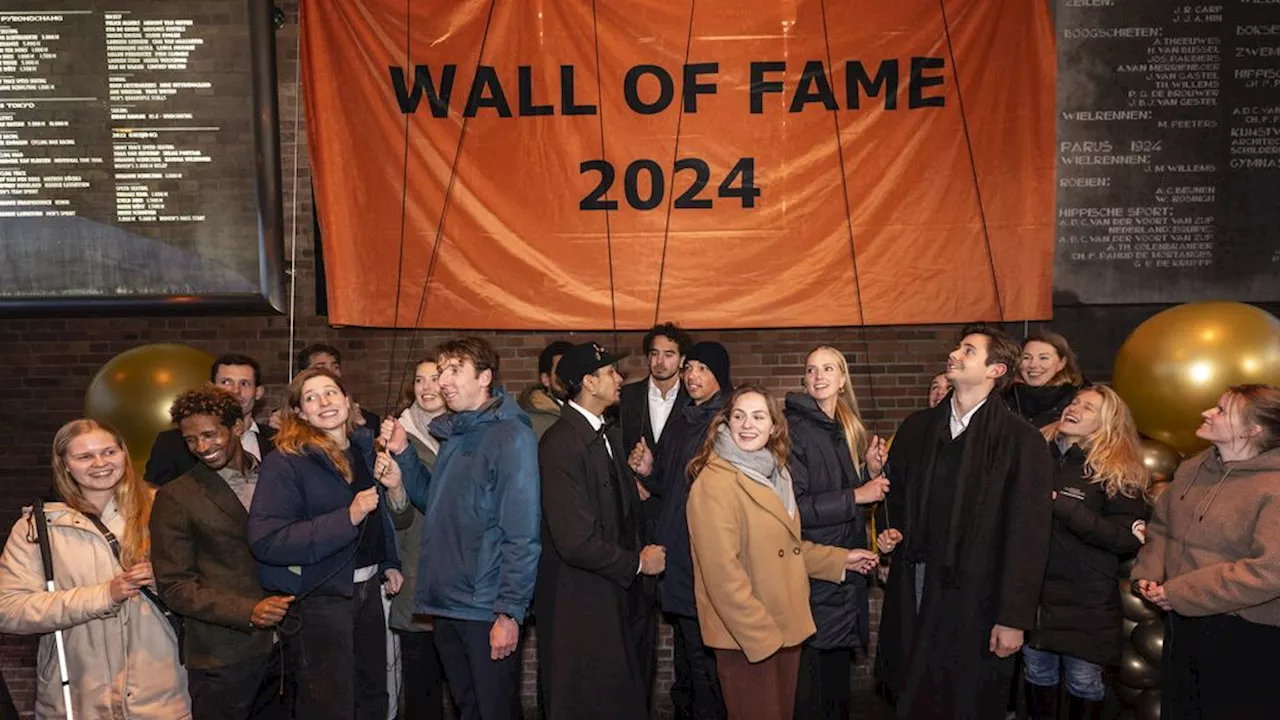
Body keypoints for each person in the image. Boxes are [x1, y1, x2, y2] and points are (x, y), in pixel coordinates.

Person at [875, 324, 1053, 720]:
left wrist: (1013, 618)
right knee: (912, 693)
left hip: (982, 599)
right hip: (918, 584)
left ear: (996, 370)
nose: (955, 354)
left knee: (967, 700)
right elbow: (896, 498)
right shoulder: (917, 428)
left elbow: (1029, 536)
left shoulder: (1021, 441)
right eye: (958, 348)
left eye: (969, 350)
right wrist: (891, 533)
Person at [686, 384, 880, 720]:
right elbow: (721, 575)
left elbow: (785, 548)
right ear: (726, 423)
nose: (748, 425)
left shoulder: (776, 474)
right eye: (739, 416)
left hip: (784, 629)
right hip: (747, 637)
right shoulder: (715, 483)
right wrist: (762, 636)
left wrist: (839, 559)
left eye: (758, 416)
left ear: (774, 426)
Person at [381, 336, 541, 720]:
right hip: (448, 603)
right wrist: (404, 452)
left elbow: (522, 532)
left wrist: (509, 612)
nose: (442, 382)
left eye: (455, 370)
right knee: (468, 708)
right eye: (440, 372)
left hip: (484, 606)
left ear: (484, 377)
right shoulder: (459, 431)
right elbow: (433, 501)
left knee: (494, 710)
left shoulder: (509, 434)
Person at [0, 419, 190, 719]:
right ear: (64, 465)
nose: (100, 463)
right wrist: (103, 596)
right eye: (84, 456)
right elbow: (8, 610)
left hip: (161, 699)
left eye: (109, 452)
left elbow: (208, 585)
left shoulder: (167, 509)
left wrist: (162, 580)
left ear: (123, 454)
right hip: (75, 701)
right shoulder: (36, 528)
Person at [247, 367, 403, 720]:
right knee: (330, 703)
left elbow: (376, 519)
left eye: (331, 392)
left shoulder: (364, 449)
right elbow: (266, 540)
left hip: (368, 594)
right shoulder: (285, 462)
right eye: (311, 397)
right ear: (300, 412)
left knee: (372, 694)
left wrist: (389, 561)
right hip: (321, 599)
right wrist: (346, 517)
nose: (324, 402)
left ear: (348, 401)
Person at [535, 342, 668, 720]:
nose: (620, 378)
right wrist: (638, 565)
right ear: (589, 383)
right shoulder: (560, 442)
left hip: (615, 599)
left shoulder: (607, 434)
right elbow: (575, 541)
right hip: (582, 607)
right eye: (611, 372)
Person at [1132, 384, 1280, 720]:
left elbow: (1269, 572)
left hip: (1247, 635)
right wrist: (1149, 575)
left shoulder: (1274, 486)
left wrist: (1181, 592)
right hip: (1183, 623)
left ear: (1253, 429)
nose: (1206, 413)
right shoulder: (1193, 467)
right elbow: (1161, 528)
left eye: (1221, 411)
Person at [151, 386, 294, 720]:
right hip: (222, 656)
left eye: (210, 434)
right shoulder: (177, 497)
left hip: (285, 650)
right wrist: (249, 610)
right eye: (190, 440)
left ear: (238, 428)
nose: (202, 447)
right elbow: (175, 586)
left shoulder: (278, 476)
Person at [1023, 385, 1150, 720]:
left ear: (1107, 422)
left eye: (1089, 408)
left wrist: (1061, 505)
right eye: (1075, 402)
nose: (1074, 408)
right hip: (1035, 593)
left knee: (1083, 681)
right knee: (1037, 673)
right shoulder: (1034, 453)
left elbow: (1126, 539)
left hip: (1086, 597)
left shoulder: (1119, 471)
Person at [629, 341, 733, 720]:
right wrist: (649, 471)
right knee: (690, 654)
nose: (691, 376)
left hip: (704, 553)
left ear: (720, 376)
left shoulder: (726, 422)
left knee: (706, 658)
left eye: (702, 369)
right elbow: (672, 486)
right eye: (690, 368)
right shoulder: (686, 418)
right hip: (677, 546)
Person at [786, 346, 889, 720]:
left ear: (843, 379)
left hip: (846, 571)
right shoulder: (795, 430)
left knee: (835, 683)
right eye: (811, 369)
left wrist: (868, 473)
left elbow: (845, 496)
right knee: (813, 684)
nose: (819, 376)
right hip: (816, 569)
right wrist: (857, 494)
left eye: (828, 368)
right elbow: (794, 509)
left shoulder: (844, 428)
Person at [619, 321, 693, 693]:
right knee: (637, 618)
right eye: (654, 353)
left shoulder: (693, 400)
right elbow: (613, 451)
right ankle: (635, 699)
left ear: (682, 361)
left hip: (680, 519)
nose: (660, 361)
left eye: (669, 354)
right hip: (637, 521)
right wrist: (633, 484)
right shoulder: (627, 397)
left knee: (687, 620)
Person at [389, 357, 447, 720]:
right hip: (418, 569)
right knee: (422, 685)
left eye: (435, 379)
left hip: (462, 574)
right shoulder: (397, 436)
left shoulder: (467, 431)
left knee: (465, 685)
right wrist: (395, 489)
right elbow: (399, 516)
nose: (426, 387)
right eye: (420, 380)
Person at [147, 353, 277, 485]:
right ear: (211, 387)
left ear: (259, 392)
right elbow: (152, 495)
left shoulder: (279, 441)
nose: (235, 391)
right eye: (226, 382)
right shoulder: (172, 443)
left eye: (245, 383)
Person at [1006, 332, 1084, 429]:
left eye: (1043, 358)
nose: (1033, 365)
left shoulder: (1079, 398)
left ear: (1062, 363)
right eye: (1026, 358)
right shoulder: (1004, 396)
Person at [296, 343, 381, 428]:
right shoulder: (293, 419)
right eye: (321, 368)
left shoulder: (368, 419)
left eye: (335, 367)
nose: (330, 372)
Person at [519, 340, 574, 439]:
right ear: (546, 379)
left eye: (574, 370)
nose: (569, 377)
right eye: (562, 371)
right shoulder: (531, 424)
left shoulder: (596, 411)